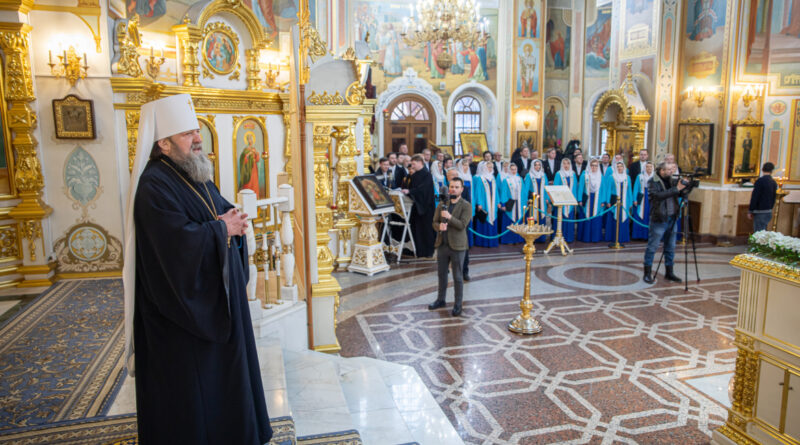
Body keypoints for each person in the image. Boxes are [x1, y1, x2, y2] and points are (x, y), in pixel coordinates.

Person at [123, 94, 272, 444]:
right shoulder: (154, 185)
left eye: (196, 131)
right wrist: (222, 229)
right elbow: (174, 244)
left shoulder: (194, 173)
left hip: (217, 300)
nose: (198, 138)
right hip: (181, 316)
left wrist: (232, 223)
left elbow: (218, 211)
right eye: (188, 133)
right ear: (163, 142)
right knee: (193, 393)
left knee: (224, 380)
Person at [429, 177, 473, 316]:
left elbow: (462, 225)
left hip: (458, 246)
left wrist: (448, 217)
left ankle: (457, 305)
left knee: (458, 276)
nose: (453, 189)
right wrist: (439, 226)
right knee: (441, 274)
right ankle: (440, 300)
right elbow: (434, 222)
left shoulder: (466, 205)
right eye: (451, 187)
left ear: (462, 189)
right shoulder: (443, 203)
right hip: (442, 244)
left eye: (456, 187)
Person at [643, 162, 688, 283]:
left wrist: (686, 187)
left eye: (671, 169)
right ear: (662, 171)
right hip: (659, 219)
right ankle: (647, 273)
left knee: (671, 247)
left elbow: (680, 193)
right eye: (668, 170)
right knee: (652, 247)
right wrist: (676, 189)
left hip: (672, 218)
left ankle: (669, 272)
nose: (671, 171)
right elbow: (658, 196)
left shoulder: (673, 181)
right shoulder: (653, 182)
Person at [403, 155, 436, 258]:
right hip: (417, 207)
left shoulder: (427, 175)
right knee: (417, 230)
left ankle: (428, 252)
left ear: (420, 162)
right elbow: (412, 188)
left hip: (426, 207)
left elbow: (423, 189)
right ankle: (418, 250)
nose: (412, 166)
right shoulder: (414, 175)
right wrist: (407, 191)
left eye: (413, 164)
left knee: (426, 230)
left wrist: (410, 191)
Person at [601, 161, 633, 244]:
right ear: (615, 168)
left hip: (625, 201)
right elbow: (608, 189)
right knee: (614, 218)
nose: (619, 168)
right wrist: (608, 201)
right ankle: (613, 237)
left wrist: (630, 202)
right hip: (614, 201)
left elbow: (629, 190)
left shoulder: (627, 177)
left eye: (621, 166)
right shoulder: (611, 177)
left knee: (624, 218)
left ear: (624, 168)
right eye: (618, 166)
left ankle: (623, 237)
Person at [452, 164, 473, 281]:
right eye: (451, 176)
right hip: (448, 225)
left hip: (461, 224)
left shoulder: (464, 189)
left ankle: (464, 271)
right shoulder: (445, 189)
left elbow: (468, 205)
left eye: (456, 176)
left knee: (463, 250)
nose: (454, 178)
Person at [472, 161, 500, 247]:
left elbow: (496, 192)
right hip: (484, 203)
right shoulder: (481, 178)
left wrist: (498, 202)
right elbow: (478, 192)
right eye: (488, 167)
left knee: (493, 219)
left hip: (493, 203)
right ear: (484, 168)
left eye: (491, 167)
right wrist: (479, 203)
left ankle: (493, 242)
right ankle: (483, 242)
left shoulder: (492, 177)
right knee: (484, 219)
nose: (490, 169)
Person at [553, 158, 580, 243]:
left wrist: (574, 199)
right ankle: (558, 237)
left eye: (568, 163)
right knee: (560, 218)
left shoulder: (573, 174)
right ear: (562, 165)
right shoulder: (559, 174)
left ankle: (569, 237)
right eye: (564, 163)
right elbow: (555, 187)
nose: (566, 165)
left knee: (569, 218)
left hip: (570, 200)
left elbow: (575, 187)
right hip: (561, 200)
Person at [523, 159, 549, 242]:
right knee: (532, 218)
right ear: (532, 166)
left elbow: (546, 188)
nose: (537, 166)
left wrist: (547, 198)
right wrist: (526, 199)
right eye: (535, 165)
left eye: (539, 165)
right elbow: (526, 189)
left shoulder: (543, 175)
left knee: (541, 217)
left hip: (542, 201)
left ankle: (541, 238)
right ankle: (531, 238)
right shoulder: (529, 175)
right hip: (532, 201)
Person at [578, 159, 604, 243]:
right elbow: (580, 188)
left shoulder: (601, 176)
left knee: (596, 218)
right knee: (587, 217)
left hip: (598, 199)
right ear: (589, 166)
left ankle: (595, 237)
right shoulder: (584, 175)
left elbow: (604, 190)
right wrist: (579, 199)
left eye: (596, 165)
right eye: (592, 165)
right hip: (587, 199)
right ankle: (586, 237)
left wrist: (603, 201)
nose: (594, 167)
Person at [748, 162, 778, 232]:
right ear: (772, 171)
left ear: (762, 169)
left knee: (758, 233)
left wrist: (750, 210)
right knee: (763, 232)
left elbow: (755, 196)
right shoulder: (773, 182)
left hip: (760, 211)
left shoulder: (760, 181)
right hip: (768, 211)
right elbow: (774, 197)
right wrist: (770, 208)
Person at [499, 163, 525, 244]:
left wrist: (524, 203)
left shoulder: (520, 179)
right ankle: (509, 239)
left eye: (515, 169)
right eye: (512, 169)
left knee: (518, 220)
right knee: (510, 220)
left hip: (519, 203)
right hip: (510, 203)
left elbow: (523, 192)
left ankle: (518, 239)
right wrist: (503, 204)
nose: (513, 171)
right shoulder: (506, 180)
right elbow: (504, 193)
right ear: (509, 170)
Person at [632, 161, 655, 240]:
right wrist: (634, 199)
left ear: (653, 168)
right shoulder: (640, 176)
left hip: (652, 198)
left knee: (650, 215)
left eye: (650, 167)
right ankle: (639, 235)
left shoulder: (655, 177)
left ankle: (649, 236)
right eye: (647, 167)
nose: (649, 168)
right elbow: (635, 188)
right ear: (644, 168)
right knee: (640, 214)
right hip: (642, 197)